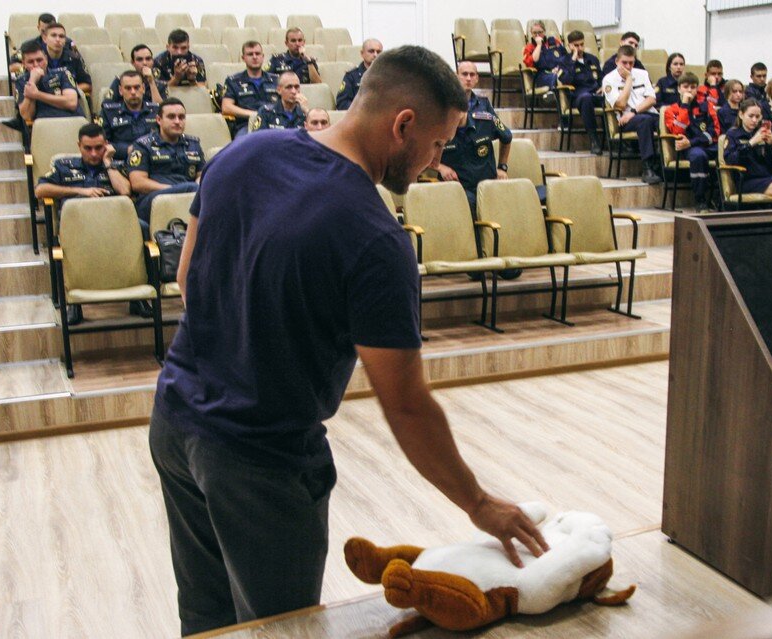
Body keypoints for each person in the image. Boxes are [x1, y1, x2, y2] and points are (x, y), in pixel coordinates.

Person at [149, 44, 548, 636]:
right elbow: (407, 406)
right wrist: (478, 502)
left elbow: (187, 278)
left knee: (206, 619)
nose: (436, 159)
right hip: (261, 461)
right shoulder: (374, 237)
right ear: (403, 125)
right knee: (280, 628)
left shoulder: (245, 152)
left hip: (175, 421)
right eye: (438, 144)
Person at [35, 123, 132, 325]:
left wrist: (108, 162)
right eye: (88, 148)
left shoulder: (116, 165)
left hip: (114, 226)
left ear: (106, 145)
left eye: (99, 147)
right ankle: (73, 304)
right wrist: (79, 191)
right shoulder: (64, 166)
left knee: (141, 230)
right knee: (67, 245)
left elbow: (125, 191)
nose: (94, 153)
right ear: (79, 146)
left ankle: (137, 299)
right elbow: (40, 190)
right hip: (77, 227)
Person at [437, 61, 513, 212]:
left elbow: (506, 137)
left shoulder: (484, 107)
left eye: (472, 75)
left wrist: (502, 167)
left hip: (487, 184)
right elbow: (421, 149)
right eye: (464, 74)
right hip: (456, 186)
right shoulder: (441, 107)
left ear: (477, 78)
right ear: (455, 76)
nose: (468, 78)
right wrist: (440, 167)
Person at [127, 98, 205, 227]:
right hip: (153, 199)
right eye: (171, 117)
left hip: (188, 197)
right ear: (158, 120)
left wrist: (196, 185)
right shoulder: (143, 145)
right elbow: (138, 183)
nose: (177, 121)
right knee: (193, 188)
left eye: (181, 117)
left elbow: (201, 175)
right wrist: (175, 190)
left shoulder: (193, 144)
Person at [602, 45, 662, 184]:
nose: (628, 66)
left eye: (631, 63)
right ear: (617, 61)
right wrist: (629, 79)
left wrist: (634, 112)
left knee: (666, 121)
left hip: (641, 114)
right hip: (625, 121)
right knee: (644, 121)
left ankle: (664, 167)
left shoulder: (642, 74)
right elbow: (621, 104)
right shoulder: (609, 79)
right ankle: (647, 168)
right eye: (624, 62)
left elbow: (652, 99)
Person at [663, 72, 720, 213]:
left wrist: (692, 142)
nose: (689, 90)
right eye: (685, 87)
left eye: (693, 87)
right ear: (679, 89)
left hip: (706, 145)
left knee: (731, 151)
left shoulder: (707, 106)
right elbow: (677, 132)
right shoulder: (671, 110)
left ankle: (720, 198)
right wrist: (685, 105)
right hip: (688, 150)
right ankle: (700, 199)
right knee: (698, 156)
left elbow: (715, 132)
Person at [724, 98, 772, 209]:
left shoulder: (761, 132)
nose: (754, 120)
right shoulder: (733, 134)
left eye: (757, 117)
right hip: (747, 179)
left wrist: (769, 145)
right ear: (741, 115)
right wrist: (751, 143)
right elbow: (730, 160)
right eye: (751, 116)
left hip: (766, 175)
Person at [221, 41, 279, 137]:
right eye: (250, 54)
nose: (255, 57)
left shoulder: (276, 80)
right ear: (243, 58)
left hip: (274, 123)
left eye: (257, 54)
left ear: (263, 56)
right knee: (244, 144)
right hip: (246, 125)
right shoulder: (233, 81)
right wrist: (254, 114)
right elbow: (226, 107)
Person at [15, 40, 83, 122]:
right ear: (24, 64)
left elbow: (72, 103)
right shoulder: (21, 81)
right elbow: (27, 115)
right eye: (30, 62)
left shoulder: (63, 73)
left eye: (39, 60)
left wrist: (37, 95)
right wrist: (32, 82)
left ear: (46, 59)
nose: (36, 65)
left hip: (71, 119)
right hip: (44, 125)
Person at [100, 70, 160, 161]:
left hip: (154, 161)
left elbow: (167, 139)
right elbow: (101, 143)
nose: (133, 92)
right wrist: (126, 150)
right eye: (128, 88)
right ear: (120, 90)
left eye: (137, 87)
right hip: (122, 162)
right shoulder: (108, 112)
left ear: (143, 88)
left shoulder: (156, 111)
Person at [560, 30, 604, 155]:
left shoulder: (592, 59)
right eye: (576, 45)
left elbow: (601, 78)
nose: (579, 48)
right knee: (586, 98)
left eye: (581, 44)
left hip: (596, 94)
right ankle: (594, 139)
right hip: (577, 97)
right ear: (569, 46)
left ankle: (621, 142)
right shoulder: (564, 61)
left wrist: (602, 87)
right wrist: (573, 60)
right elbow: (566, 80)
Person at [9, 13, 76, 75]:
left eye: (50, 31)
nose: (45, 35)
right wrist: (30, 67)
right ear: (38, 28)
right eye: (43, 31)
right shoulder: (30, 45)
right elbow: (12, 67)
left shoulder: (68, 43)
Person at [38, 23, 91, 94]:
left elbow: (87, 84)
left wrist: (66, 91)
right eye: (53, 35)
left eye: (61, 36)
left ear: (65, 40)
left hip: (70, 100)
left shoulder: (74, 58)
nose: (57, 39)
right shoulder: (37, 59)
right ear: (44, 38)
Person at [335, 39, 383, 110]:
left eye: (378, 52)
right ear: (362, 53)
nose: (375, 55)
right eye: (371, 51)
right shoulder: (351, 76)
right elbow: (342, 103)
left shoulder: (389, 75)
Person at [522, 20, 566, 91]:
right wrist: (539, 45)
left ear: (544, 31)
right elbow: (532, 61)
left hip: (558, 71)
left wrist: (559, 68)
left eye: (540, 32)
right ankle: (552, 98)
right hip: (542, 76)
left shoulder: (554, 42)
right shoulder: (529, 47)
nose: (537, 35)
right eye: (534, 33)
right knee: (555, 78)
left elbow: (565, 58)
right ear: (531, 34)